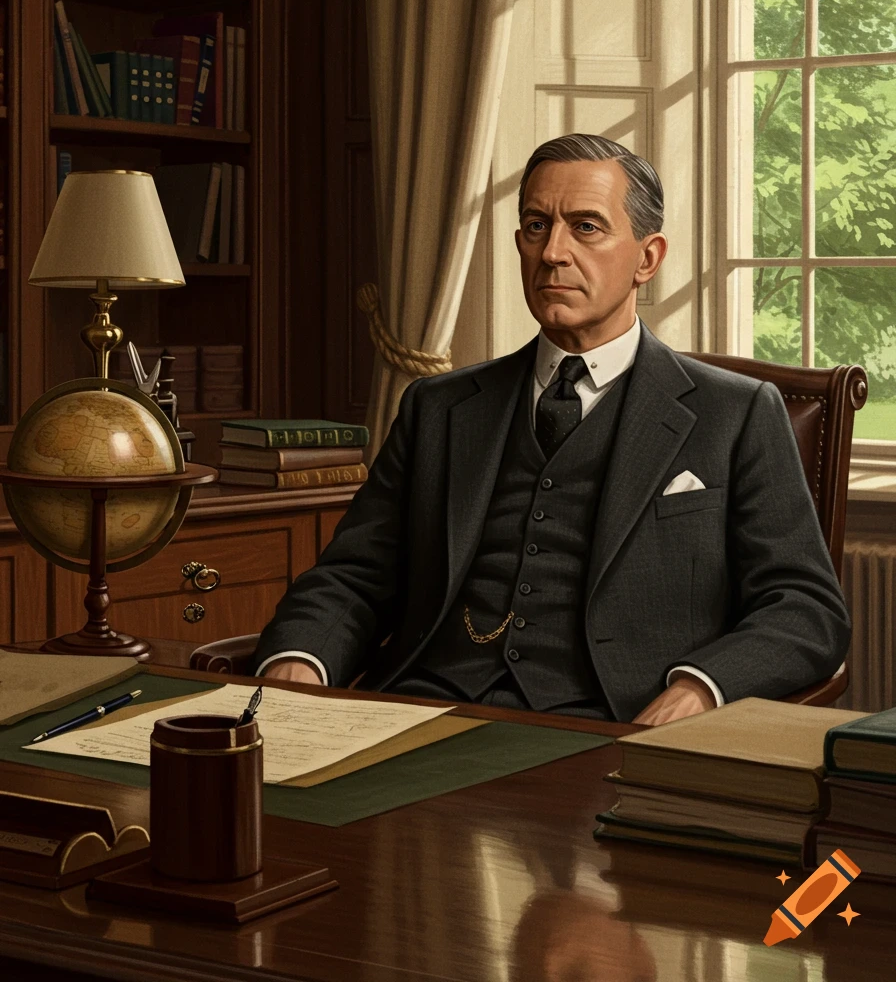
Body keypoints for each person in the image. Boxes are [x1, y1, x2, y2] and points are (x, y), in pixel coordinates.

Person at [254, 134, 850, 725]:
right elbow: (354, 575)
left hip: (608, 725)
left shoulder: (736, 414)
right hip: (421, 706)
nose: (554, 252)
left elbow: (806, 609)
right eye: (537, 225)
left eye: (586, 226)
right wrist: (300, 661)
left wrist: (699, 689)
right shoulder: (438, 406)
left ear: (648, 257)